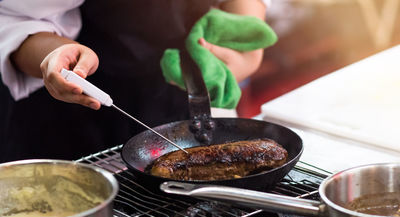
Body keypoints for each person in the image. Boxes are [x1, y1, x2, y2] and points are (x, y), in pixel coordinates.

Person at [0, 0, 271, 163]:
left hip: (186, 97)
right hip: (77, 119)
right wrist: (55, 55)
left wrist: (246, 44)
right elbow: (14, 18)